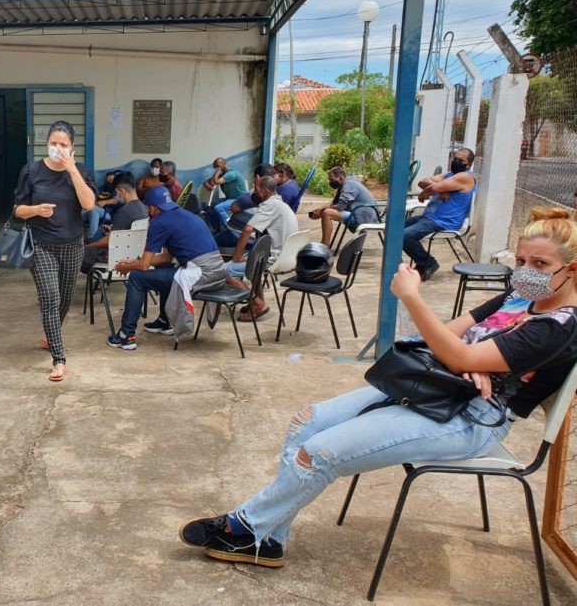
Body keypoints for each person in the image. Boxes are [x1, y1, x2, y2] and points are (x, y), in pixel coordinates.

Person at [180, 207, 577, 569]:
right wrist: (465, 358)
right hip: (434, 384)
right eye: (522, 261)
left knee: (317, 453)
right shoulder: (516, 298)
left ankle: (244, 525)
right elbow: (447, 340)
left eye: (541, 264)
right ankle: (269, 538)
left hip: (470, 419)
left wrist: (416, 302)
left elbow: (456, 350)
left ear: (571, 269)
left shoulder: (558, 326)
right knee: (306, 423)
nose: (526, 271)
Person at [13, 120, 96, 381]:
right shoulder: (32, 171)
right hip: (41, 244)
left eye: (63, 145)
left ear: (72, 147)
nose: (57, 148)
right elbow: (17, 210)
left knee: (64, 299)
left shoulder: (81, 171)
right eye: (53, 143)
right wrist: (36, 210)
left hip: (72, 244)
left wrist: (72, 170)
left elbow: (89, 204)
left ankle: (51, 335)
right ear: (46, 143)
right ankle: (59, 359)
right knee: (50, 298)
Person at [109, 186, 226, 348]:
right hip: (218, 272)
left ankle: (126, 335)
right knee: (164, 268)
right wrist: (131, 263)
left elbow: (143, 266)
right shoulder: (186, 215)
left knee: (137, 278)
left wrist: (128, 268)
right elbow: (165, 257)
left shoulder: (159, 222)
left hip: (202, 274)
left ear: (152, 208)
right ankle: (165, 321)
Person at [225, 177, 299, 321]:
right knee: (254, 259)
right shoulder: (281, 204)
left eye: (257, 190)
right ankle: (256, 300)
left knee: (226, 271)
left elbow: (247, 229)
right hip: (288, 257)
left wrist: (237, 257)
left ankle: (257, 303)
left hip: (275, 259)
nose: (254, 193)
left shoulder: (269, 205)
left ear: (265, 191)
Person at [404, 148, 478, 281]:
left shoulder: (465, 176)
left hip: (443, 221)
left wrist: (426, 192)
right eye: (455, 159)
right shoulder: (450, 175)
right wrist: (441, 187)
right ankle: (415, 265)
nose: (457, 162)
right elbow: (422, 182)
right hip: (429, 218)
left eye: (461, 161)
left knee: (405, 236)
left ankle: (428, 263)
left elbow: (431, 189)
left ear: (469, 164)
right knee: (394, 229)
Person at [81, 174, 149, 274]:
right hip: (134, 253)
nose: (117, 195)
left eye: (117, 192)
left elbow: (110, 240)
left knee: (79, 255)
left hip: (115, 256)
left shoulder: (125, 211)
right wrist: (113, 228)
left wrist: (89, 245)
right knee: (102, 231)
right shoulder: (143, 208)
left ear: (122, 191)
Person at [308, 167, 378, 245]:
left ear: (340, 178)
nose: (330, 182)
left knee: (327, 213)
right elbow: (334, 202)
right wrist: (319, 209)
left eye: (331, 179)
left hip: (363, 217)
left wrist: (321, 212)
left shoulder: (349, 185)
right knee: (325, 211)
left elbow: (340, 206)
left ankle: (325, 245)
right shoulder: (345, 183)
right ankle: (324, 244)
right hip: (361, 213)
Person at [203, 157, 249, 228]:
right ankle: (217, 228)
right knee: (211, 206)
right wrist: (209, 186)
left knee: (219, 208)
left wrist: (219, 171)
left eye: (217, 167)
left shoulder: (232, 174)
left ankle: (231, 226)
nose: (216, 169)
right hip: (230, 199)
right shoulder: (222, 175)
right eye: (215, 168)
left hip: (239, 199)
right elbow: (207, 182)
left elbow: (216, 181)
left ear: (224, 165)